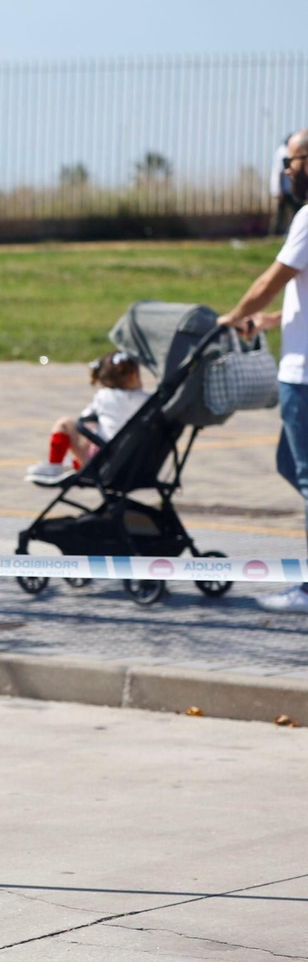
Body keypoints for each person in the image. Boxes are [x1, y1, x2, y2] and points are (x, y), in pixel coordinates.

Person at [219, 128, 308, 613]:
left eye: (293, 161)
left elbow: (270, 280)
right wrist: (275, 321)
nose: (288, 171)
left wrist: (233, 316)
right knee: (286, 464)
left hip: (305, 376)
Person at [25, 351, 150, 485]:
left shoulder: (103, 396)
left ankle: (55, 465)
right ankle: (73, 464)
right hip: (140, 464)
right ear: (133, 375)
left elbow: (84, 421)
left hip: (104, 464)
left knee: (65, 423)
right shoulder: (149, 401)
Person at [271, 135, 302, 237]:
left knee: (288, 211)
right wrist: (280, 190)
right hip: (284, 189)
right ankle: (276, 233)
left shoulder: (282, 151)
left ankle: (277, 233)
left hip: (285, 188)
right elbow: (280, 172)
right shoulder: (284, 152)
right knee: (291, 211)